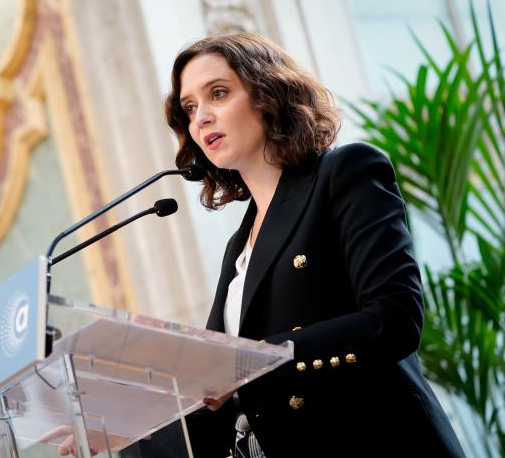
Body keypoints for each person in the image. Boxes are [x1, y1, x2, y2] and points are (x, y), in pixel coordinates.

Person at [137, 32, 466, 457]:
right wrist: (127, 428)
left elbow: (395, 319)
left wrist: (251, 360)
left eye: (218, 93)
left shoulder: (344, 173)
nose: (201, 117)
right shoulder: (239, 246)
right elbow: (225, 395)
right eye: (190, 108)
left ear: (267, 92)